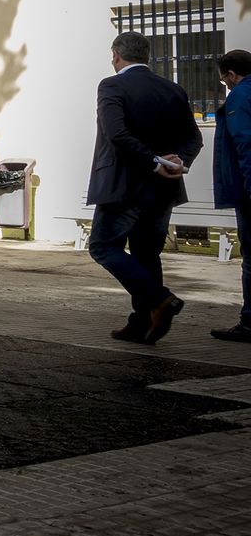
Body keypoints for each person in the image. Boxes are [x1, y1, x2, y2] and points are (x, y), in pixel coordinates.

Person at [86, 31, 202, 344]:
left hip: (124, 185)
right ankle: (142, 322)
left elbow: (117, 135)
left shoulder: (111, 85)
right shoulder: (172, 89)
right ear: (147, 56)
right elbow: (194, 138)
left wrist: (154, 161)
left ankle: (160, 299)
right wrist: (176, 163)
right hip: (163, 190)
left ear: (115, 55)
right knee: (147, 255)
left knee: (102, 247)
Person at [210, 49, 251, 343]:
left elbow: (244, 143)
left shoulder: (240, 96)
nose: (226, 84)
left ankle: (249, 323)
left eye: (225, 80)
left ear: (231, 75)